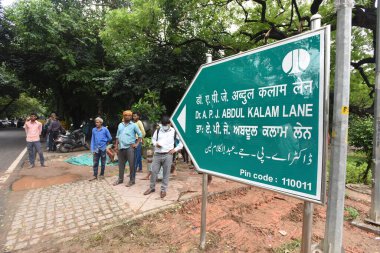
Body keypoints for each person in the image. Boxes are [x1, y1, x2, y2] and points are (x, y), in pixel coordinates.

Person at [144, 115, 183, 198]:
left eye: (166, 124)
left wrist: (174, 150)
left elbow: (181, 143)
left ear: (170, 124)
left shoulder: (174, 131)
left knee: (166, 173)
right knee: (154, 171)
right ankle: (152, 188)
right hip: (157, 154)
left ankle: (163, 190)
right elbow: (153, 139)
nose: (165, 126)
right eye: (163, 124)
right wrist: (156, 144)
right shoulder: (158, 131)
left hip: (168, 155)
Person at [113, 110, 142, 187]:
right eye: (126, 115)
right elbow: (117, 136)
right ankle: (120, 179)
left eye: (129, 115)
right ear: (124, 116)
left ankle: (132, 181)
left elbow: (140, 134)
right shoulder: (120, 125)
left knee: (132, 165)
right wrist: (116, 146)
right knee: (121, 165)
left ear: (131, 116)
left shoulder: (134, 125)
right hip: (121, 147)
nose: (128, 117)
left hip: (130, 148)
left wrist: (137, 143)